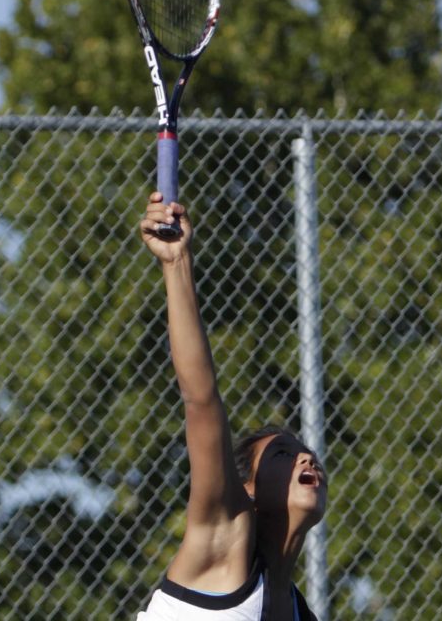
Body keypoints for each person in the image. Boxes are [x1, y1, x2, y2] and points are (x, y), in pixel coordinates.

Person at [135, 193, 327, 621]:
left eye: (302, 451)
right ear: (249, 491)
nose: (306, 457)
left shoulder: (297, 609)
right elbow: (200, 399)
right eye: (282, 453)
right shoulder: (224, 535)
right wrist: (176, 263)